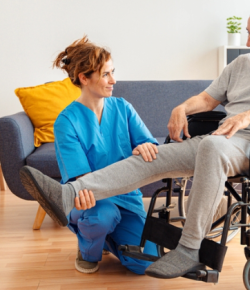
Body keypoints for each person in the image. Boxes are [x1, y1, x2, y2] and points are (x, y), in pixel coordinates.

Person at [20, 4, 250, 279]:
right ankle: (67, 194)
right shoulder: (240, 64)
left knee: (210, 147)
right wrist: (182, 108)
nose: (248, 40)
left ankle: (188, 248)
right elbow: (206, 98)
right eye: (248, 33)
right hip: (220, 140)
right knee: (155, 155)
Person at [50, 36, 158, 274]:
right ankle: (89, 250)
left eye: (113, 72)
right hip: (90, 199)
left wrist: (145, 148)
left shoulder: (123, 107)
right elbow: (84, 180)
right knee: (102, 215)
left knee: (147, 262)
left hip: (127, 197)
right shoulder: (66, 121)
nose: (114, 80)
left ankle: (107, 238)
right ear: (84, 78)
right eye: (106, 74)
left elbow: (148, 144)